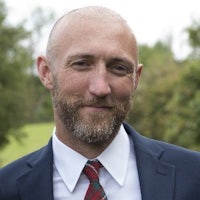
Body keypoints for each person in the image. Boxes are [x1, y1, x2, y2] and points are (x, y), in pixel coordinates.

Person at [0, 6, 200, 200]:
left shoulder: (193, 176)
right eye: (81, 64)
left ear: (136, 78)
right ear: (46, 72)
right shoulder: (6, 189)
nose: (101, 87)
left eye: (119, 68)